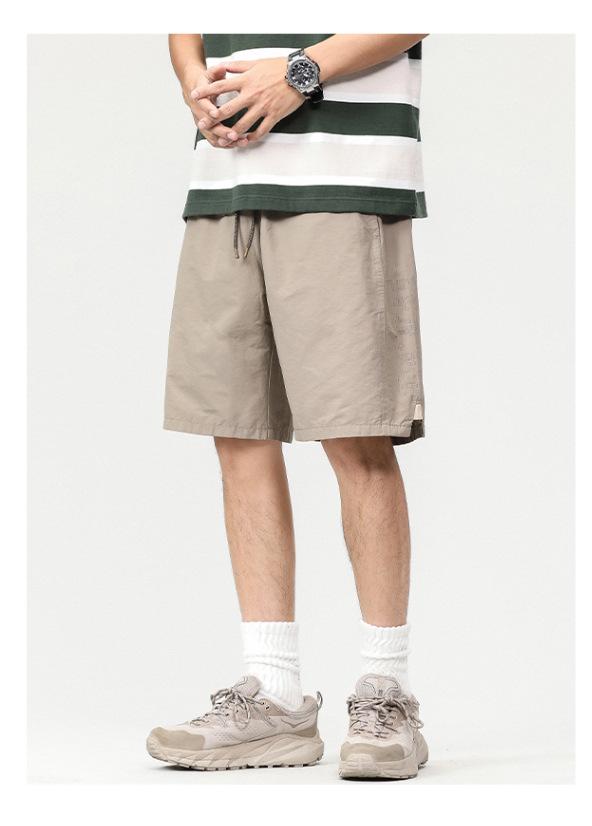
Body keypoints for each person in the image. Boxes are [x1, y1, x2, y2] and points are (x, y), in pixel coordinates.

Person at [147, 33, 429, 780]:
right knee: (238, 434)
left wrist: (300, 74)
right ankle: (273, 695)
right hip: (224, 183)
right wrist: (193, 81)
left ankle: (387, 691)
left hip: (344, 176)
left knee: (357, 435)